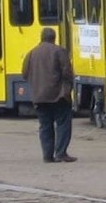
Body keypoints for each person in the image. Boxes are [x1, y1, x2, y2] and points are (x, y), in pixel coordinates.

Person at [22, 27, 77, 163]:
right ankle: (61, 153)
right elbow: (67, 73)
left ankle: (47, 155)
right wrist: (68, 88)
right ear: (54, 38)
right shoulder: (59, 51)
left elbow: (24, 73)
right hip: (58, 95)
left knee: (45, 126)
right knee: (63, 124)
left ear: (41, 38)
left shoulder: (31, 53)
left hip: (39, 97)